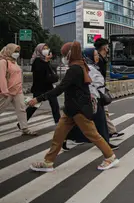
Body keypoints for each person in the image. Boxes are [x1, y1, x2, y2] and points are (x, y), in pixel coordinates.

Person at [27, 41, 119, 172]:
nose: (64, 57)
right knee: (58, 135)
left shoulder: (75, 69)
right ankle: (48, 162)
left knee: (93, 135)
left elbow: (60, 89)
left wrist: (38, 98)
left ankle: (110, 157)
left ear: (70, 54)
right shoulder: (80, 65)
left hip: (79, 110)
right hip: (72, 109)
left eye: (65, 54)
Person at [63, 48, 119, 151]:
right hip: (91, 99)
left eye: (97, 54)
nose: (98, 56)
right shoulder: (88, 68)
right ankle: (105, 145)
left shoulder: (92, 66)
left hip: (94, 98)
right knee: (99, 121)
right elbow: (90, 83)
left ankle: (68, 138)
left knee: (83, 122)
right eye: (95, 55)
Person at [0, 43, 36, 136]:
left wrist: (22, 88)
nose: (17, 53)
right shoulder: (3, 62)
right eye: (15, 51)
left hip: (18, 91)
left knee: (21, 109)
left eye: (18, 51)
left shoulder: (15, 62)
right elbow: (2, 77)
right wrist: (4, 90)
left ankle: (25, 128)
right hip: (7, 91)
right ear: (9, 51)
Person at [24, 43, 61, 128]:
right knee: (34, 106)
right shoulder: (36, 61)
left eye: (47, 48)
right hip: (39, 88)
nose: (46, 50)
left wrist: (47, 61)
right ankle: (22, 123)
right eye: (44, 48)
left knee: (55, 105)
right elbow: (40, 74)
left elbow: (49, 72)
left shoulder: (45, 60)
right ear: (39, 50)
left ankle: (58, 123)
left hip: (49, 87)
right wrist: (46, 62)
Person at [94, 38, 124, 139]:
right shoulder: (98, 59)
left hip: (100, 89)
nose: (108, 49)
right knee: (97, 113)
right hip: (96, 90)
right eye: (107, 46)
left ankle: (111, 131)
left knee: (103, 111)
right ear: (104, 47)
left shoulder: (102, 59)